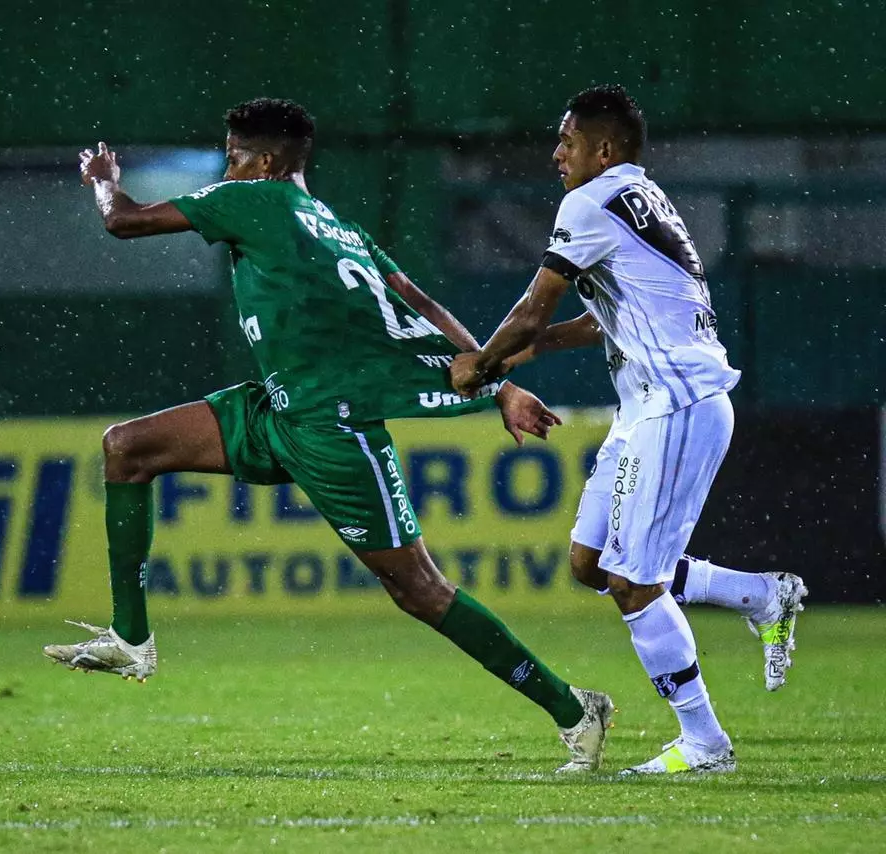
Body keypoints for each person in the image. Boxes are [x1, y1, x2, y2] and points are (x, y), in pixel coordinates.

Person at [43, 97, 614, 773]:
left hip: (331, 425)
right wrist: (499, 382)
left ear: (265, 162)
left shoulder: (251, 200)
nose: (226, 168)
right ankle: (132, 639)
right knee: (127, 448)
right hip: (275, 408)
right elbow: (419, 303)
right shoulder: (338, 227)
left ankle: (575, 709)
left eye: (233, 156)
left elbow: (124, 221)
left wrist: (102, 176)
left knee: (421, 591)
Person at [449, 84, 807, 775]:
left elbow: (530, 306)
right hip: (648, 408)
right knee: (591, 564)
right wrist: (538, 347)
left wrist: (483, 365)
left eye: (567, 141)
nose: (557, 153)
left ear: (604, 149)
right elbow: (611, 313)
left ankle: (705, 744)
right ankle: (761, 594)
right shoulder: (639, 198)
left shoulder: (588, 202)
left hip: (676, 406)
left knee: (634, 584)